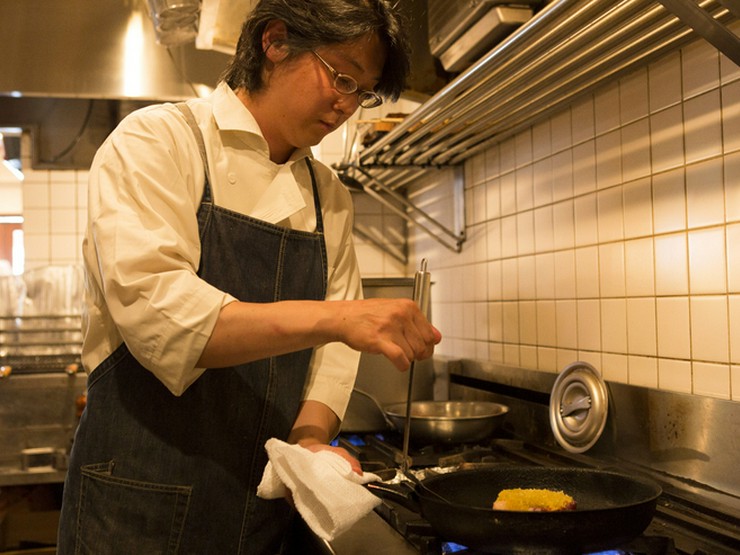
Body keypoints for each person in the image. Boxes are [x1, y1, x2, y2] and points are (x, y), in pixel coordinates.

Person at [57, 0, 441, 553]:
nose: (346, 106)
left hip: (261, 515)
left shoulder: (328, 195)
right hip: (136, 510)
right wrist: (338, 318)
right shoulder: (157, 142)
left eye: (363, 92)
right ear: (276, 42)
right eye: (341, 78)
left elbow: (333, 357)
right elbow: (164, 319)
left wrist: (309, 440)